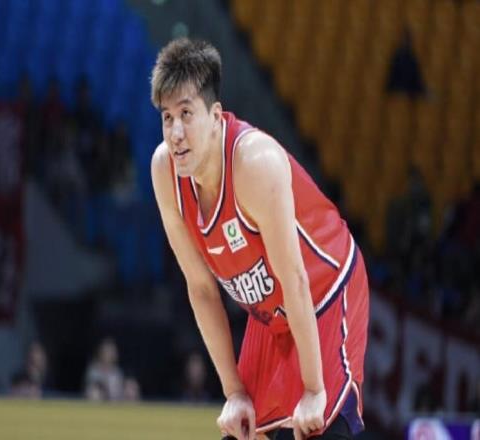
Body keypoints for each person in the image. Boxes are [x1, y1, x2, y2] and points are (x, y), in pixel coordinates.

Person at [150, 38, 369, 440]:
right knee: (240, 430)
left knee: (319, 429)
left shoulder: (255, 163)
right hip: (270, 312)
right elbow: (201, 288)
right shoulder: (165, 171)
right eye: (167, 118)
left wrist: (314, 390)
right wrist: (233, 392)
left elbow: (296, 279)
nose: (176, 132)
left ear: (216, 116)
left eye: (186, 114)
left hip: (324, 289)